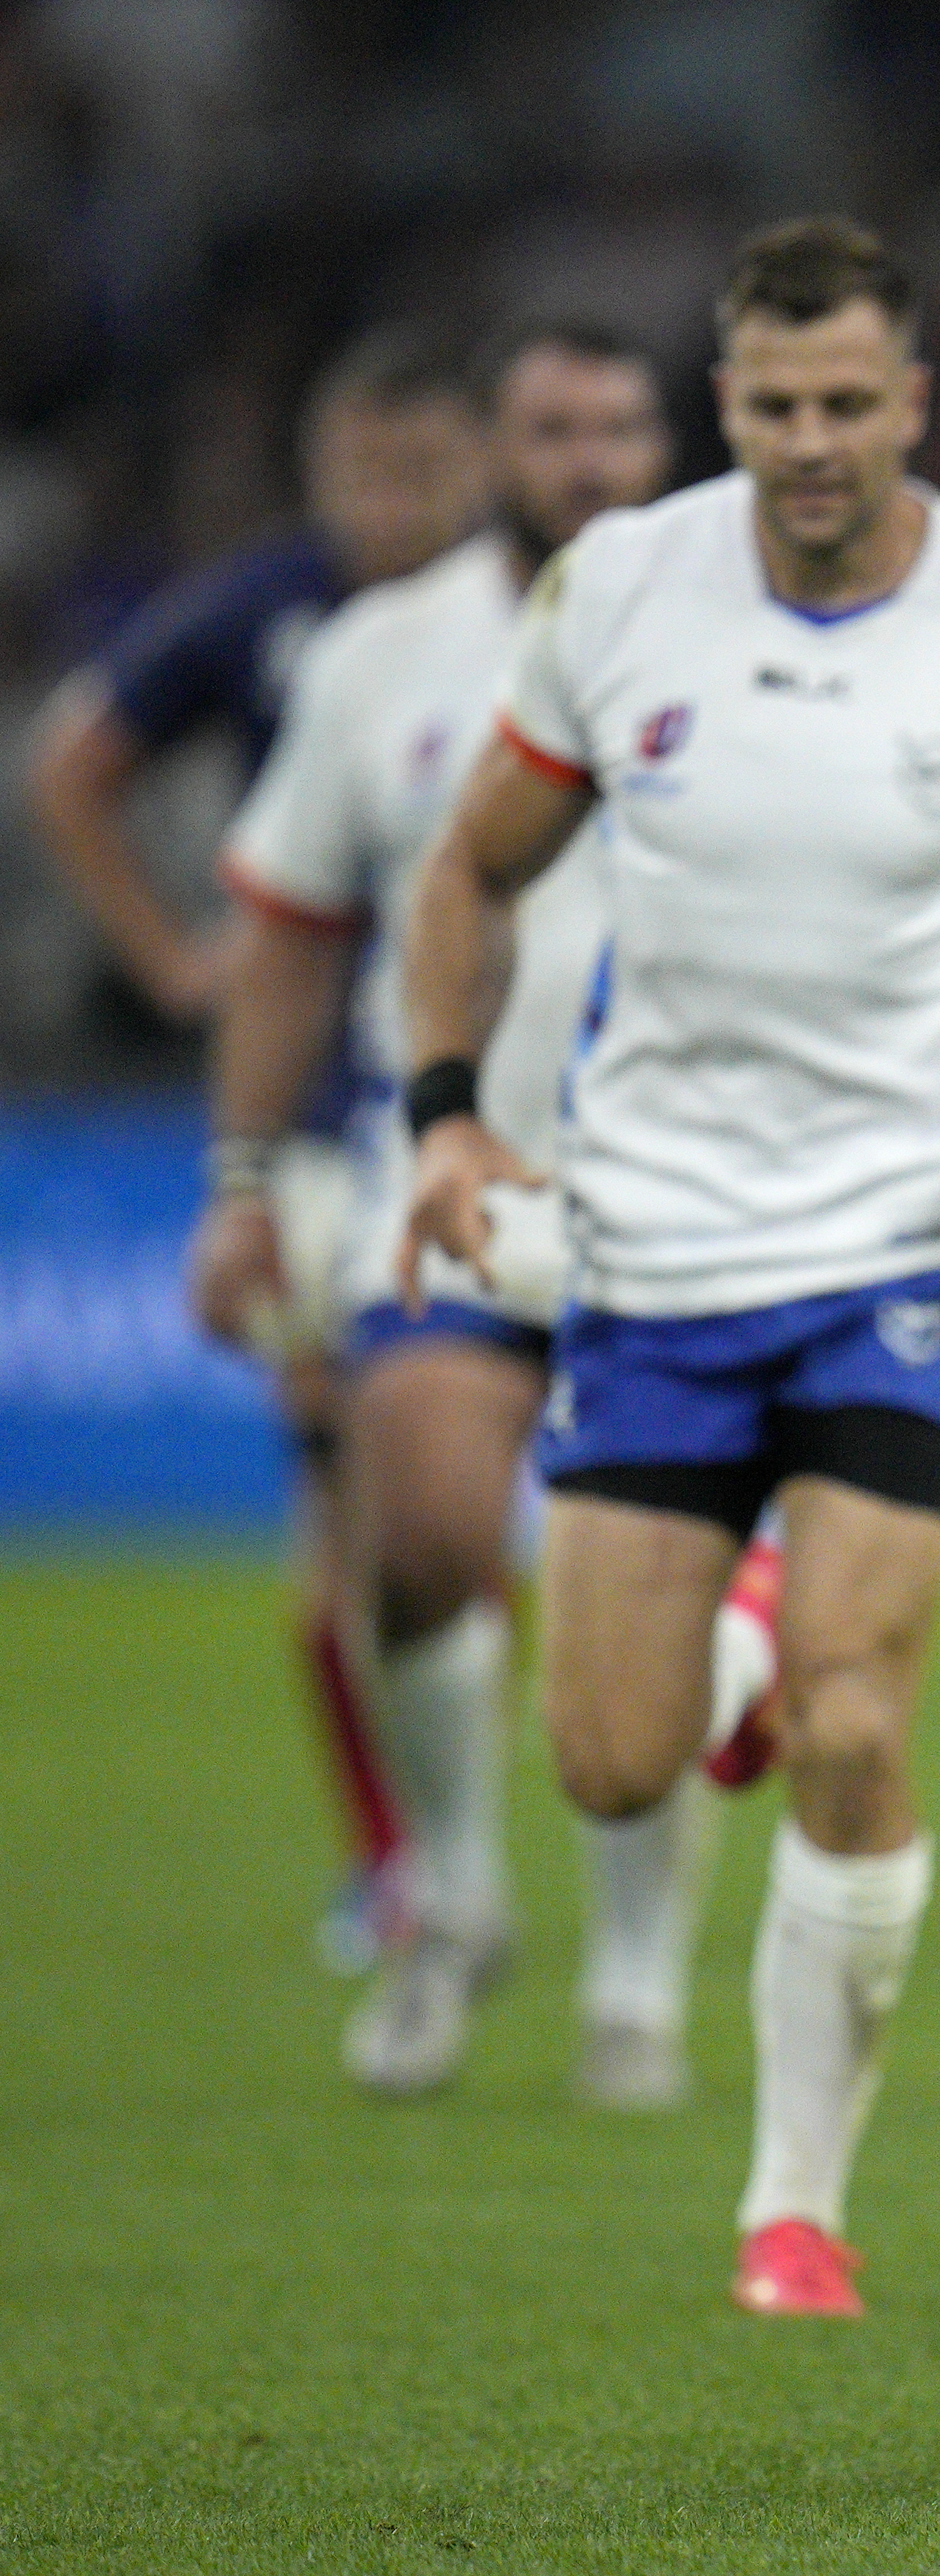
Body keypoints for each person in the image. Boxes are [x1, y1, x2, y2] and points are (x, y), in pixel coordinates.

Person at [398, 218, 940, 2315]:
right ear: (728, 401)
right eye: (774, 406)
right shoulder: (623, 590)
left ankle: (793, 2211)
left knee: (860, 1723)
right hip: (652, 1249)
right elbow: (473, 869)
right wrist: (443, 1111)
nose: (814, 441)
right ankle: (732, 1648)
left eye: (852, 402)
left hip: (896, 1247)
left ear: (913, 398)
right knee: (608, 1764)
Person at [194, 321, 788, 2109]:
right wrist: (239, 1181)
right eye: (552, 427)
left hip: (690, 1200)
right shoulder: (383, 656)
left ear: (663, 443)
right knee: (428, 1540)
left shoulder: (759, 639)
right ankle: (447, 1893)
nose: (589, 457)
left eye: (620, 426)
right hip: (452, 1179)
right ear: (498, 451)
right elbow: (294, 935)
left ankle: (633, 1986)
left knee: (649, 1595)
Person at [43, 326, 485, 1970]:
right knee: (355, 1496)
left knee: (472, 1508)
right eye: (365, 473)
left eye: (425, 472)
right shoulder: (270, 615)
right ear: (319, 477)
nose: (392, 505)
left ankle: (455, 1838)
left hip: (496, 1115)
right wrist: (173, 963)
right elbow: (72, 770)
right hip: (315, 1128)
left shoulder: (542, 620)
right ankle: (396, 1859)